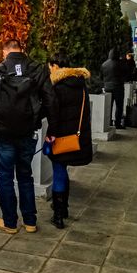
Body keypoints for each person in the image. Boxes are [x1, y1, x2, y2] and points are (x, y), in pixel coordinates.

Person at [0, 39, 57, 234]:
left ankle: (10, 222)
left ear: (5, 51)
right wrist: (52, 130)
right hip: (27, 132)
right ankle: (30, 222)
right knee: (25, 176)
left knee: (5, 178)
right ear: (21, 50)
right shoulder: (37, 69)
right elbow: (50, 99)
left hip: (3, 133)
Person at [45, 55, 92, 229]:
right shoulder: (81, 85)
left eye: (50, 67)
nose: (49, 70)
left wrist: (50, 134)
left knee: (58, 170)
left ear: (55, 66)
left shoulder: (57, 87)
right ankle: (63, 208)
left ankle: (58, 215)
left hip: (60, 137)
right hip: (76, 137)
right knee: (63, 170)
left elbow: (54, 115)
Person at [100, 48, 126, 129]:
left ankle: (109, 122)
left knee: (109, 105)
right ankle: (117, 124)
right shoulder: (120, 63)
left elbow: (101, 76)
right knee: (119, 106)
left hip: (107, 88)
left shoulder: (104, 64)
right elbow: (125, 74)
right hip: (118, 87)